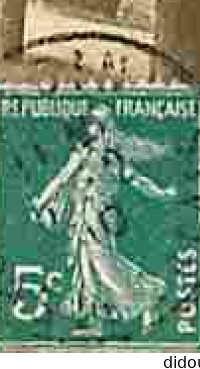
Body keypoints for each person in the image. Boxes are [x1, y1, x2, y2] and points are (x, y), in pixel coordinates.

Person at [31, 105, 176, 333]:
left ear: (103, 128)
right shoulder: (83, 155)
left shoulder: (112, 158)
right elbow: (62, 180)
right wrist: (42, 202)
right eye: (91, 125)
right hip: (82, 219)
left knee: (105, 267)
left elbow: (137, 180)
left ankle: (148, 296)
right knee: (86, 268)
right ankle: (95, 321)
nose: (91, 130)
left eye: (96, 125)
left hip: (99, 220)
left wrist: (162, 193)